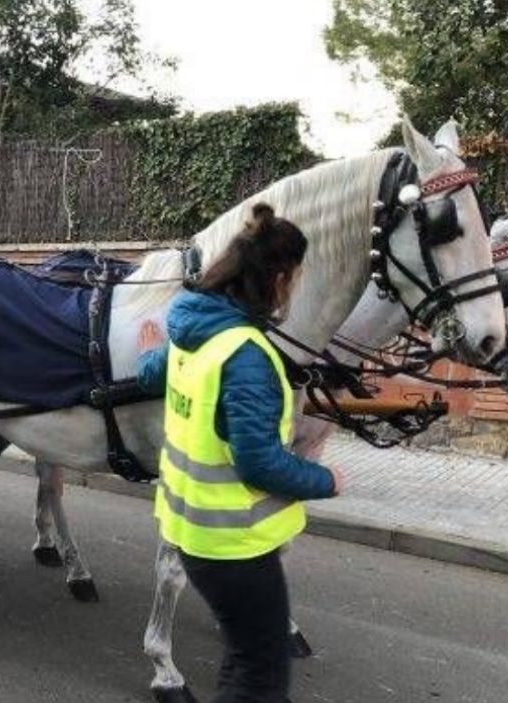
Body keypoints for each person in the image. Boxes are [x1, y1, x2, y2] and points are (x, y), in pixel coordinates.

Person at [136, 203, 343, 703]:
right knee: (260, 680)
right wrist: (326, 481)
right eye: (296, 278)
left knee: (245, 659)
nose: (295, 289)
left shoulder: (193, 332)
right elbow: (259, 462)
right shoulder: (246, 355)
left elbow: (149, 375)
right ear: (279, 280)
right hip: (235, 546)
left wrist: (149, 348)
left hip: (193, 535)